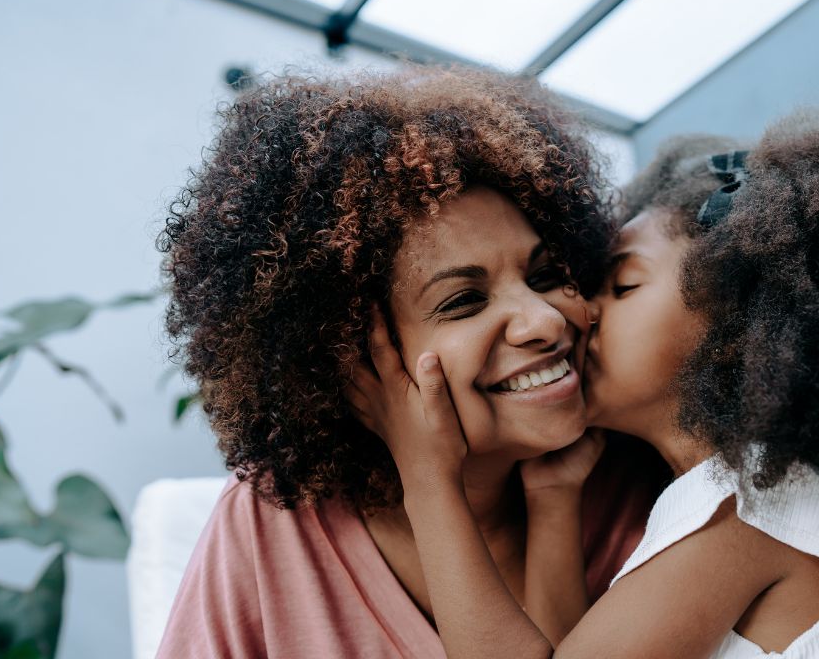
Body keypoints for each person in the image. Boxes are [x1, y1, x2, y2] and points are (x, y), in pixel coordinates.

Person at [351, 110, 819, 658]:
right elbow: (565, 646)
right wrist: (553, 497)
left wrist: (428, 481)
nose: (573, 310)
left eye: (622, 285)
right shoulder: (719, 504)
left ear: (742, 331)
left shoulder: (748, 510)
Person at [154, 67, 665, 658]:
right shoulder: (271, 524)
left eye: (545, 275)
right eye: (464, 301)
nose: (546, 321)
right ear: (345, 360)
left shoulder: (640, 485)